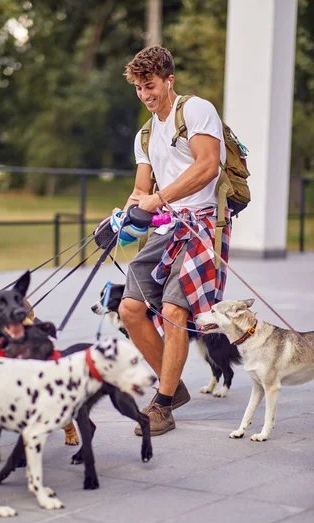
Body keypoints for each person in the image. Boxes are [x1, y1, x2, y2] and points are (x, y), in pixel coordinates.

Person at [115, 45, 231, 436]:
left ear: (169, 80)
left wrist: (158, 198)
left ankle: (162, 405)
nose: (145, 95)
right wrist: (121, 215)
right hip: (165, 229)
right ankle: (174, 386)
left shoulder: (196, 110)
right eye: (138, 88)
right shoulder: (145, 134)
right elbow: (140, 190)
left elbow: (207, 166)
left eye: (150, 85)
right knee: (130, 308)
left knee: (173, 309)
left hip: (202, 225)